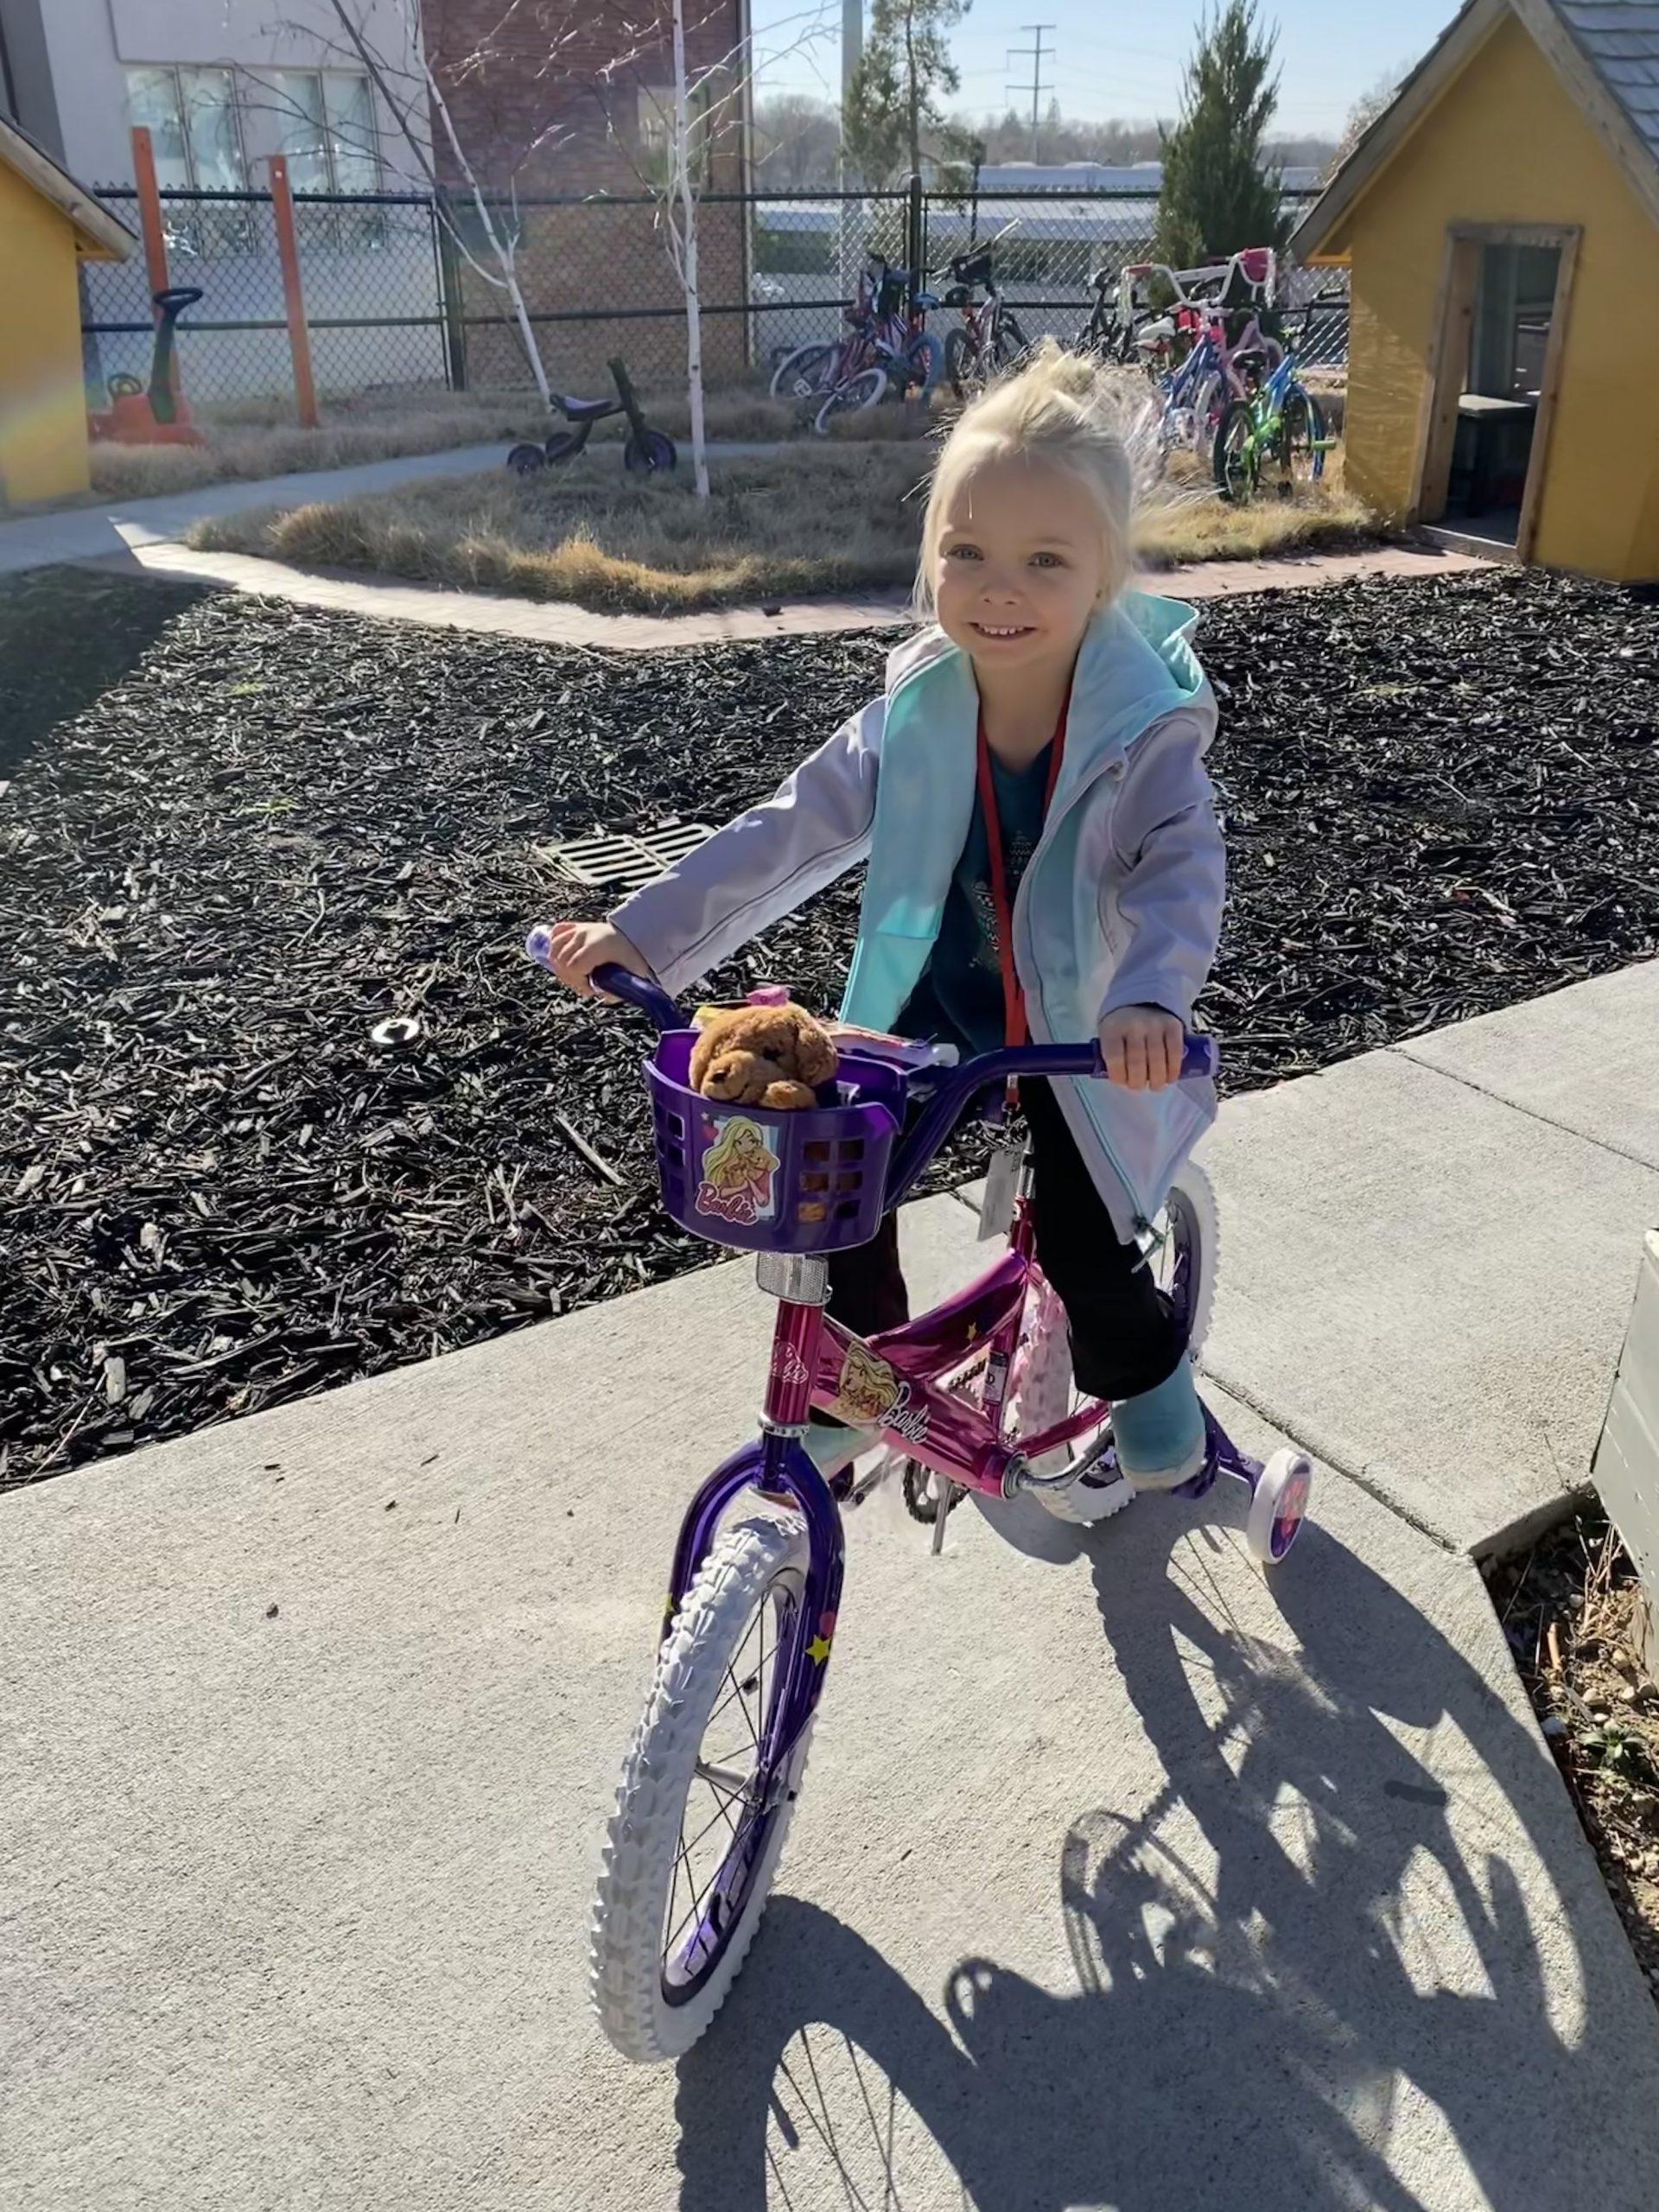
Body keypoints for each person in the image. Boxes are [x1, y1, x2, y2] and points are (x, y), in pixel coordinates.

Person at [542, 342, 1225, 1501]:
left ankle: (1154, 1386)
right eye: (966, 553)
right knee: (827, 1187)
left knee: (1082, 1226)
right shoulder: (916, 713)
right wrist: (646, 936)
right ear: (931, 559)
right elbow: (788, 828)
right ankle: (851, 1390)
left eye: (1044, 560)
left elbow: (1180, 870)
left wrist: (1151, 992)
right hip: (933, 997)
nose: (998, 588)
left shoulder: (1140, 732)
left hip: (1081, 1025)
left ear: (1105, 574)